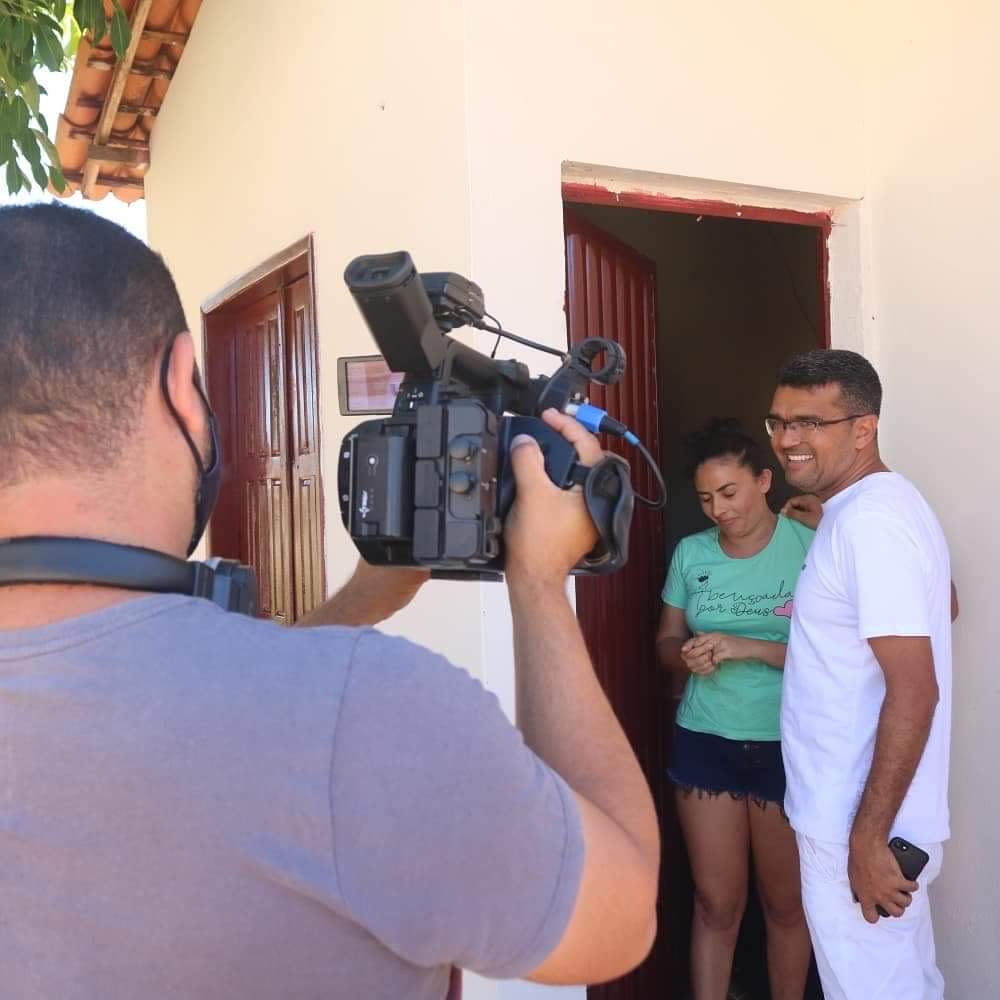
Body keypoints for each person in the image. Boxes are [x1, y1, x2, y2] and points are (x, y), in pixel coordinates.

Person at [0, 204, 659, 998]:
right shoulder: (362, 711)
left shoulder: (328, 712)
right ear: (180, 382)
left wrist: (359, 601)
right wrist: (540, 582)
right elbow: (619, 917)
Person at [768, 349, 952, 1000]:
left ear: (862, 429)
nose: (788, 439)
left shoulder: (871, 522)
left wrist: (867, 839)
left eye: (810, 422)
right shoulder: (872, 510)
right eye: (779, 422)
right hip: (862, 816)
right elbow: (943, 602)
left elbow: (915, 687)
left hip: (861, 823)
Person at [656, 418, 813, 1000]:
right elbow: (665, 642)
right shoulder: (691, 553)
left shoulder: (811, 543)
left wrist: (749, 647)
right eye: (704, 498)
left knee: (785, 905)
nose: (717, 509)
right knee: (717, 905)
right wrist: (685, 658)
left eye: (729, 493)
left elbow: (842, 655)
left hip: (788, 744)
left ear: (764, 480)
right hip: (707, 740)